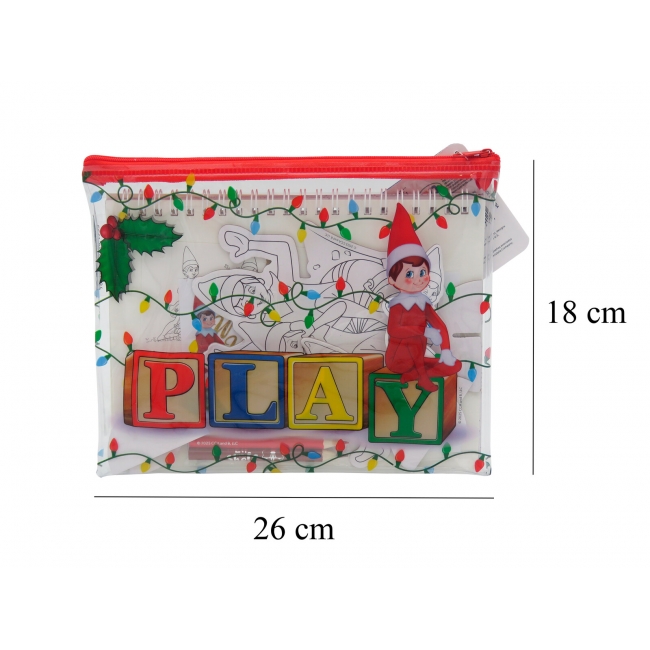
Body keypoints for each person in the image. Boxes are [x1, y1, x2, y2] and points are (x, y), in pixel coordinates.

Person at [385, 204, 461, 392]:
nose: (418, 279)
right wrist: (424, 332)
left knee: (454, 365)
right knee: (414, 341)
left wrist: (445, 350)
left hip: (415, 359)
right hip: (398, 359)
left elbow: (439, 324)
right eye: (409, 274)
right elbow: (394, 330)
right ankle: (422, 377)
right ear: (392, 280)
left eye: (422, 272)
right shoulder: (397, 306)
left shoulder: (423, 303)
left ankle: (414, 375)